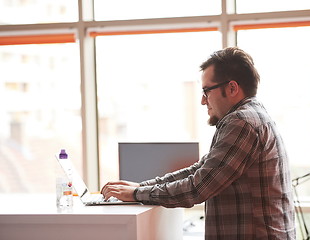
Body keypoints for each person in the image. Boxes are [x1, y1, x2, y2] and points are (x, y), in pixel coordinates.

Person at [101, 47, 296, 239]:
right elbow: (200, 169)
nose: (203, 101)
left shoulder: (242, 122)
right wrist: (140, 187)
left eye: (207, 91)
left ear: (232, 88)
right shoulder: (252, 117)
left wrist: (137, 193)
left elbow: (198, 187)